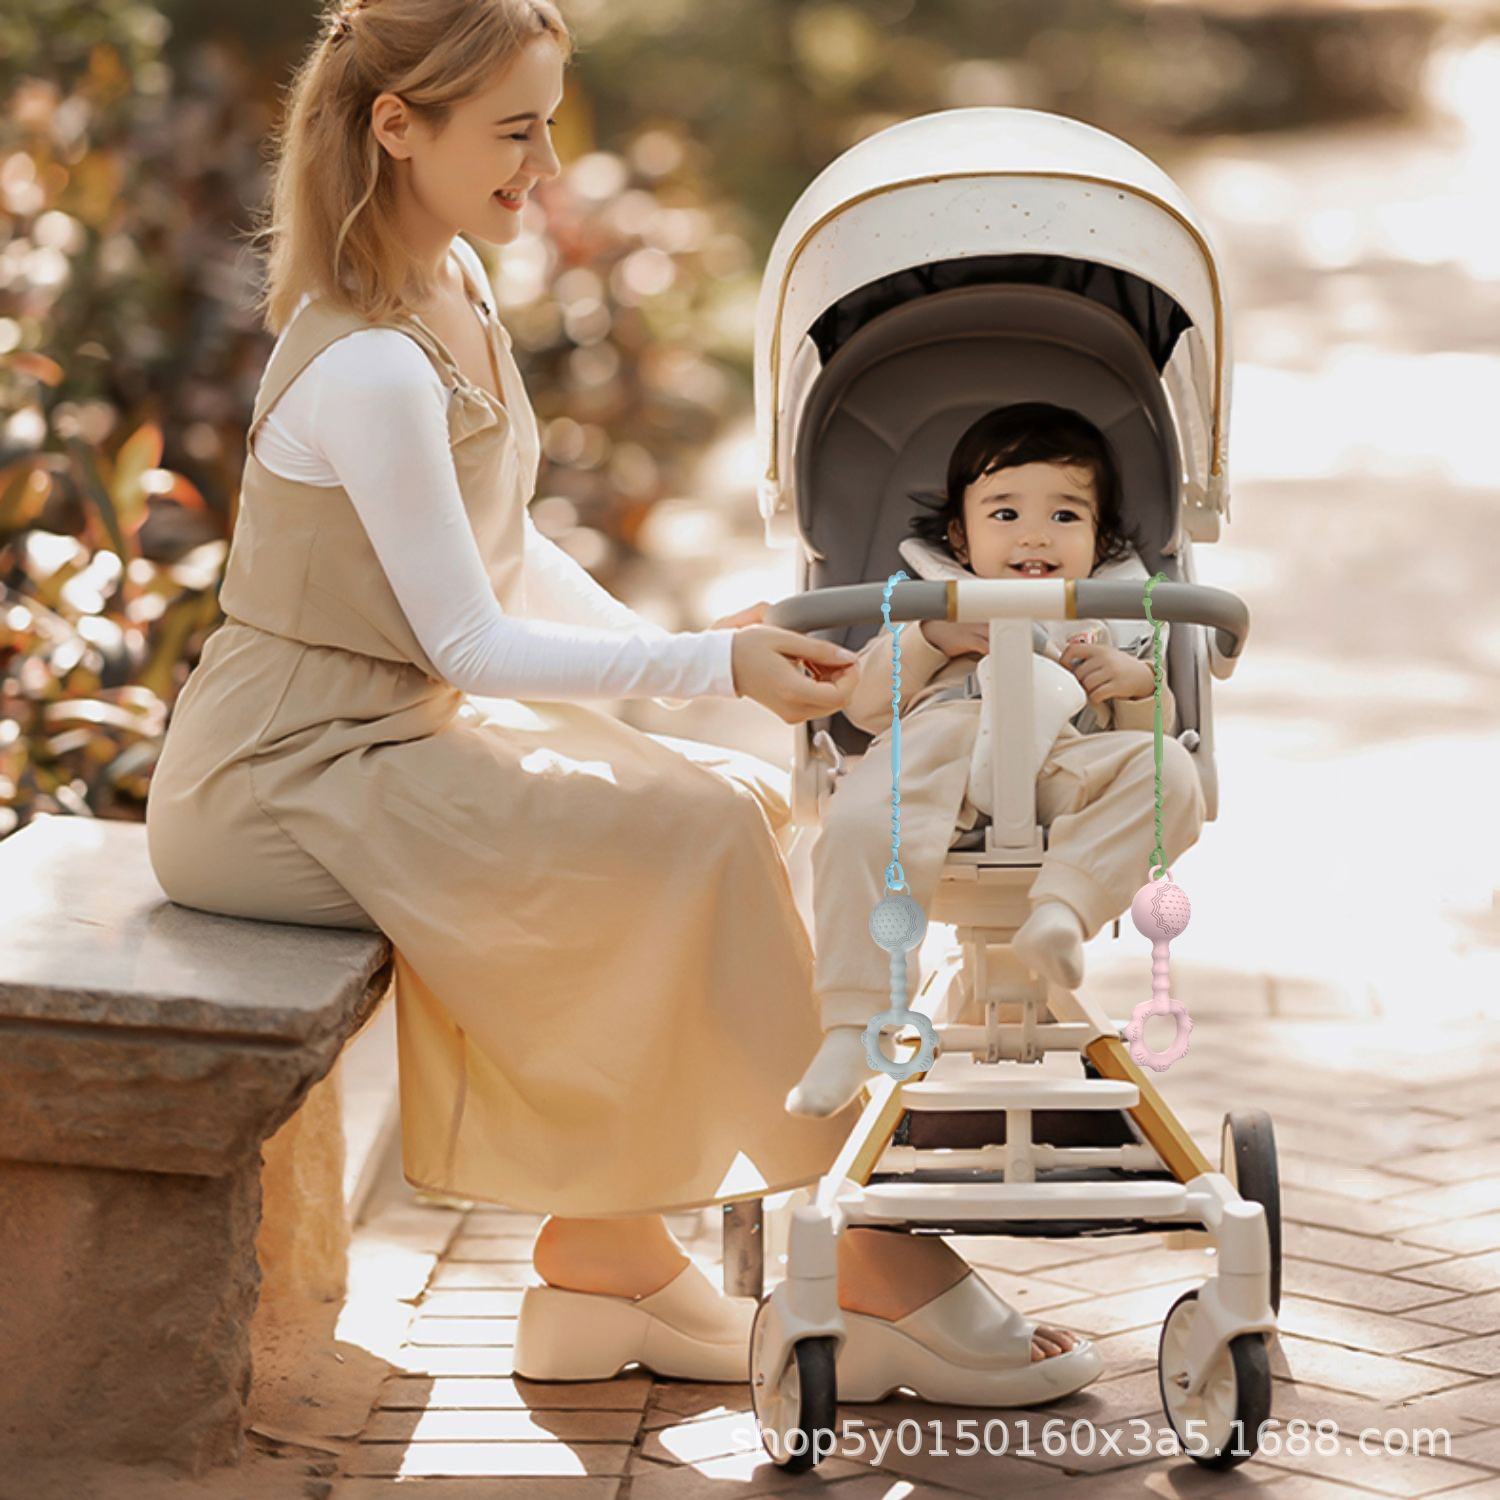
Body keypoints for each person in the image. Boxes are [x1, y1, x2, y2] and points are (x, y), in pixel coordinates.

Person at [143, 2, 1106, 1400]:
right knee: (689, 834)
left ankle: (607, 1265)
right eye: (513, 132)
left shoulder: (453, 284)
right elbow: (470, 638)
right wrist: (703, 668)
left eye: (548, 125)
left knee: (728, 798)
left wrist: (681, 662)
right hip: (281, 774)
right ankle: (876, 1251)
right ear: (396, 128)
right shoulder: (364, 361)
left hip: (385, 733)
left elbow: (508, 553)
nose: (544, 166)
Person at [787, 402, 1206, 1122]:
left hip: (1064, 764)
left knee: (1171, 773)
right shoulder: (931, 603)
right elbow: (862, 707)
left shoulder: (1116, 616)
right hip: (936, 757)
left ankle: (1061, 912)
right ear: (961, 535)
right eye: (1005, 514)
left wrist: (1136, 685)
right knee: (858, 820)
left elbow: (1155, 730)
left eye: (1065, 517)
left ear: (1101, 538)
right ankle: (854, 1023)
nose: (1036, 534)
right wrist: (931, 638)